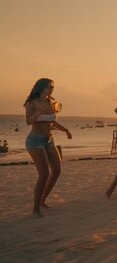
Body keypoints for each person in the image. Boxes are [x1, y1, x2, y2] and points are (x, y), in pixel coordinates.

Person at [24, 78, 72, 216]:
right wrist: (39, 111)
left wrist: (65, 130)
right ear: (41, 87)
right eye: (49, 87)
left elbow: (51, 121)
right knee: (44, 174)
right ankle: (35, 208)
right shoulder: (32, 102)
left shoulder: (51, 102)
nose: (51, 89)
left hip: (49, 140)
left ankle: (42, 201)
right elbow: (28, 121)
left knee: (57, 170)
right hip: (35, 141)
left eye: (52, 87)